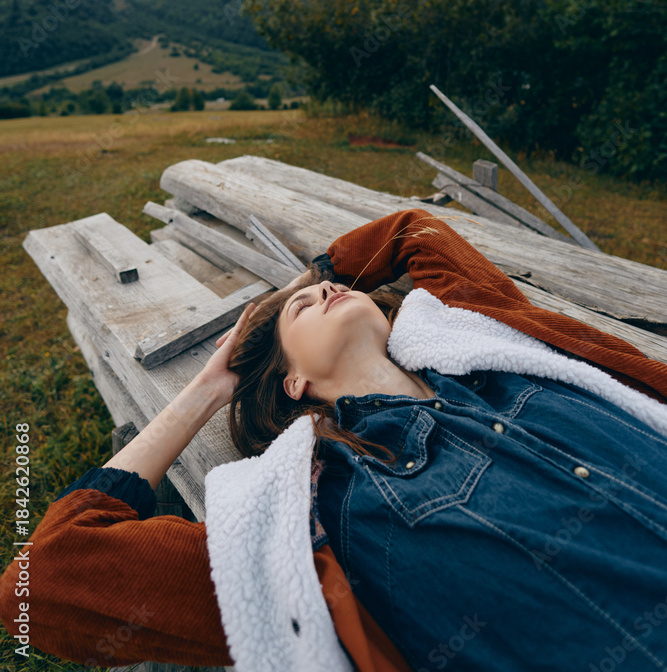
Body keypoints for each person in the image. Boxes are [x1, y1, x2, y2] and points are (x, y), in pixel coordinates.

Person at [2, 207, 667, 671]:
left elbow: (414, 233)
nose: (323, 289)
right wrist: (208, 387)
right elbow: (40, 581)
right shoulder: (318, 518)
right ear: (291, 380)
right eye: (301, 305)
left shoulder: (494, 343)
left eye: (329, 288)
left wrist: (305, 280)